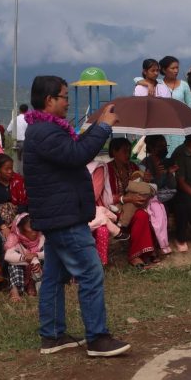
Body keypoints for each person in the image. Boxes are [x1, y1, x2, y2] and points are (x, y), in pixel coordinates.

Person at [23, 75, 130, 357]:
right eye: (64, 96)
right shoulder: (45, 132)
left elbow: (74, 149)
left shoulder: (43, 130)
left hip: (59, 214)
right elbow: (77, 154)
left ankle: (53, 335)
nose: (68, 102)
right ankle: (97, 337)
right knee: (91, 272)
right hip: (65, 217)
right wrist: (104, 127)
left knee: (55, 277)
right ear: (49, 101)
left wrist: (96, 126)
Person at [92, 138, 160, 267]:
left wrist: (145, 179)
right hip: (114, 209)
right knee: (139, 215)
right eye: (124, 151)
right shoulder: (108, 169)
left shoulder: (133, 167)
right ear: (114, 152)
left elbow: (141, 186)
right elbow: (108, 196)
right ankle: (137, 256)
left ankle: (137, 254)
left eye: (129, 151)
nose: (128, 155)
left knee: (143, 215)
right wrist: (127, 199)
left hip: (134, 206)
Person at [0, 153, 28, 240]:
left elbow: (24, 202)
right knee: (8, 240)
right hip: (0, 223)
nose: (10, 171)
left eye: (11, 168)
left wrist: (16, 220)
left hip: (20, 218)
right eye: (6, 169)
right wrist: (3, 226)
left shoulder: (18, 180)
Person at [4, 212, 44, 301]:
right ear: (21, 230)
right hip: (23, 269)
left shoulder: (41, 237)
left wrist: (36, 255)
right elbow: (7, 256)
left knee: (45, 262)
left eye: (35, 229)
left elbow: (49, 253)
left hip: (38, 271)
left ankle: (32, 284)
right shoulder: (15, 239)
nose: (34, 233)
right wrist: (24, 258)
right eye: (30, 230)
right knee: (14, 264)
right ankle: (15, 290)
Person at [159, 56, 191, 154]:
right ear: (164, 70)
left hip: (181, 126)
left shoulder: (184, 85)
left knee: (181, 153)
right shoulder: (158, 84)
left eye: (177, 68)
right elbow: (139, 80)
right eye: (173, 68)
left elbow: (190, 107)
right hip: (163, 126)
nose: (176, 71)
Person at [7, 104, 29, 172]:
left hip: (17, 143)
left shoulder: (15, 119)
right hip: (26, 143)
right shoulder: (29, 119)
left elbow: (8, 130)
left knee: (17, 161)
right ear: (27, 110)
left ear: (19, 110)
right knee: (25, 161)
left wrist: (13, 136)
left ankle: (18, 174)